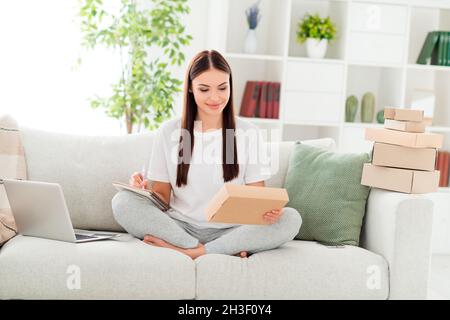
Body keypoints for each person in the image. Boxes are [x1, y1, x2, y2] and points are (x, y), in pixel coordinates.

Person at [111, 50, 302, 259]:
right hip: (181, 227)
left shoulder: (248, 132)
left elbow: (255, 199)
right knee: (122, 202)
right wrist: (143, 190)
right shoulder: (169, 132)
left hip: (232, 230)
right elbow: (162, 199)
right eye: (204, 89)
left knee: (291, 219)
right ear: (191, 89)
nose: (215, 97)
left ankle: (193, 252)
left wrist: (267, 212)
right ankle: (205, 248)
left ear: (230, 85)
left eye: (222, 88)